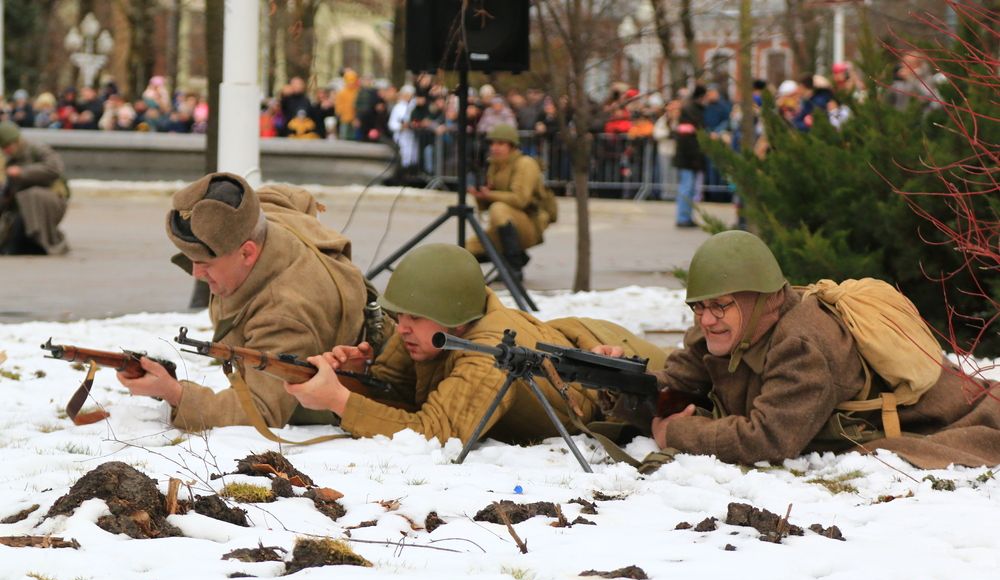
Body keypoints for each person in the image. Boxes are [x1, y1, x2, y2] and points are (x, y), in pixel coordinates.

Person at [609, 230, 1000, 470]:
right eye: (699, 307)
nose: (706, 319)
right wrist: (618, 378)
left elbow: (768, 439)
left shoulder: (802, 346)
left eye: (720, 305)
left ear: (761, 300)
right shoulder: (722, 331)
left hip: (961, 412)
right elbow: (675, 382)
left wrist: (677, 433)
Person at [285, 243, 666, 446]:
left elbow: (436, 435)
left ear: (454, 316)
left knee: (707, 396)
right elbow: (398, 392)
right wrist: (355, 379)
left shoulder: (487, 354)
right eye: (399, 316)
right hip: (583, 346)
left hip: (629, 364)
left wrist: (339, 400)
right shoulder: (428, 329)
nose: (401, 328)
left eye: (413, 317)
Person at [117, 172, 372, 432]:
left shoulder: (284, 313)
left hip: (357, 386)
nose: (195, 274)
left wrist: (175, 394)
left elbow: (262, 412)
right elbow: (290, 197)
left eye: (205, 263)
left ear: (247, 252)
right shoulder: (257, 218)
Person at [466, 123, 556, 280]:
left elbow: (520, 200)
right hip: (505, 223)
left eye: (500, 143)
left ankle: (514, 269)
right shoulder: (495, 165)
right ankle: (516, 257)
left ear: (512, 146)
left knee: (498, 208)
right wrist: (480, 196)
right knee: (467, 250)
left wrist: (490, 195)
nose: (495, 148)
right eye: (492, 143)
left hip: (529, 223)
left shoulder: (525, 164)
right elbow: (486, 206)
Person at [0, 121, 70, 255]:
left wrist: (22, 172)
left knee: (30, 196)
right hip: (22, 206)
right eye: (3, 148)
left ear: (16, 141)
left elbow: (55, 168)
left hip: (50, 201)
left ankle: (41, 242)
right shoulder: (9, 160)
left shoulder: (37, 150)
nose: (6, 150)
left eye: (8, 146)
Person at [671, 85, 706, 228]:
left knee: (690, 188)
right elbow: (687, 140)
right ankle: (683, 217)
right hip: (687, 158)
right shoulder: (689, 113)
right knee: (686, 187)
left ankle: (686, 215)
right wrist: (694, 157)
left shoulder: (693, 111)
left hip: (690, 157)